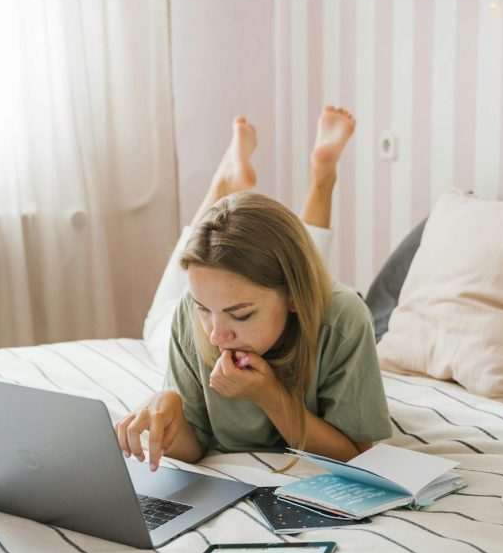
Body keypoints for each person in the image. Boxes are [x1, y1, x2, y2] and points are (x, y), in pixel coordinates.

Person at [118, 107, 391, 470]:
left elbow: (357, 456)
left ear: (293, 297)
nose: (217, 334)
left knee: (296, 260)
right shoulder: (189, 310)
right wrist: (167, 417)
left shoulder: (344, 320)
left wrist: (270, 397)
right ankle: (259, 181)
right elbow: (195, 446)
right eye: (204, 309)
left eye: (241, 314)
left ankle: (277, 179)